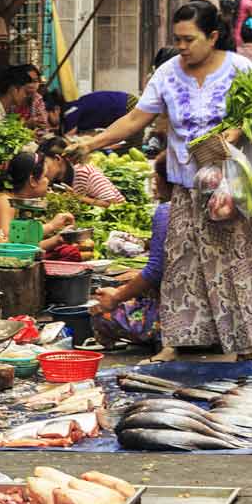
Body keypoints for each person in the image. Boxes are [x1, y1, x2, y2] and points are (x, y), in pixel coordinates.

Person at [67, 0, 252, 361]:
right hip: (188, 188)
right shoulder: (168, 74)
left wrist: (234, 136)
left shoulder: (241, 69)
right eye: (178, 39)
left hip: (231, 190)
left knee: (235, 262)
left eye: (189, 39)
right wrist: (91, 143)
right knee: (181, 264)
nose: (183, 47)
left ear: (213, 36)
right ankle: (176, 342)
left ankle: (244, 346)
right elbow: (135, 119)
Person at [91, 154, 175, 363]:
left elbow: (156, 270)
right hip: (219, 322)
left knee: (101, 314)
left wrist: (116, 296)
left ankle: (165, 339)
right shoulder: (210, 205)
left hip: (181, 321)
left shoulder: (167, 212)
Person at [0, 152, 75, 251]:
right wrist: (51, 226)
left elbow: (26, 248)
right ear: (33, 180)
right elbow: (8, 241)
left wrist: (57, 240)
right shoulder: (5, 201)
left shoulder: (20, 203)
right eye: (45, 176)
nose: (48, 181)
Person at [39, 137, 124, 207]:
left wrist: (77, 197)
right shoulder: (59, 180)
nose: (41, 169)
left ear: (58, 159)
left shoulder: (84, 172)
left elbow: (112, 203)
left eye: (44, 163)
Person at [14, 64, 50, 133]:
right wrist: (25, 125)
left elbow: (43, 124)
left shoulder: (37, 99)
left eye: (35, 81)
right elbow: (6, 127)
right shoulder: (12, 99)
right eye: (29, 81)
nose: (32, 85)